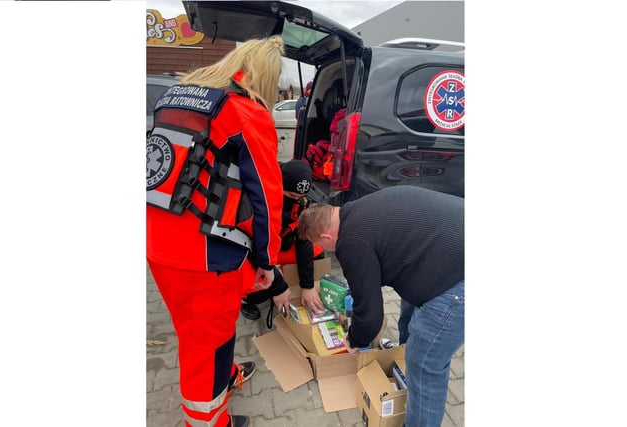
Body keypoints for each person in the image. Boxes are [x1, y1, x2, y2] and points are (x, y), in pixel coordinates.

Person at [146, 36, 285, 427]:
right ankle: (207, 420)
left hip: (158, 241)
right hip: (204, 257)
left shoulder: (172, 98)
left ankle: (221, 380)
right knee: (202, 345)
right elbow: (266, 195)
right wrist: (267, 262)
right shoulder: (245, 113)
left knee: (198, 330)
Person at [297, 186, 464, 427]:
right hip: (449, 244)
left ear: (325, 238)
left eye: (322, 246)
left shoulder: (350, 241)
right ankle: (403, 363)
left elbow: (371, 315)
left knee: (425, 364)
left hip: (457, 280)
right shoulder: (356, 208)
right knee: (409, 311)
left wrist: (355, 340)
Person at [240, 160, 326, 324]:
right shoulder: (256, 200)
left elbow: (303, 241)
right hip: (253, 249)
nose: (297, 200)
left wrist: (307, 286)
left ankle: (295, 283)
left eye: (301, 197)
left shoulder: (302, 203)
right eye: (292, 196)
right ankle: (246, 300)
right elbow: (252, 248)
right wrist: (278, 286)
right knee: (259, 289)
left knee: (316, 252)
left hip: (279, 243)